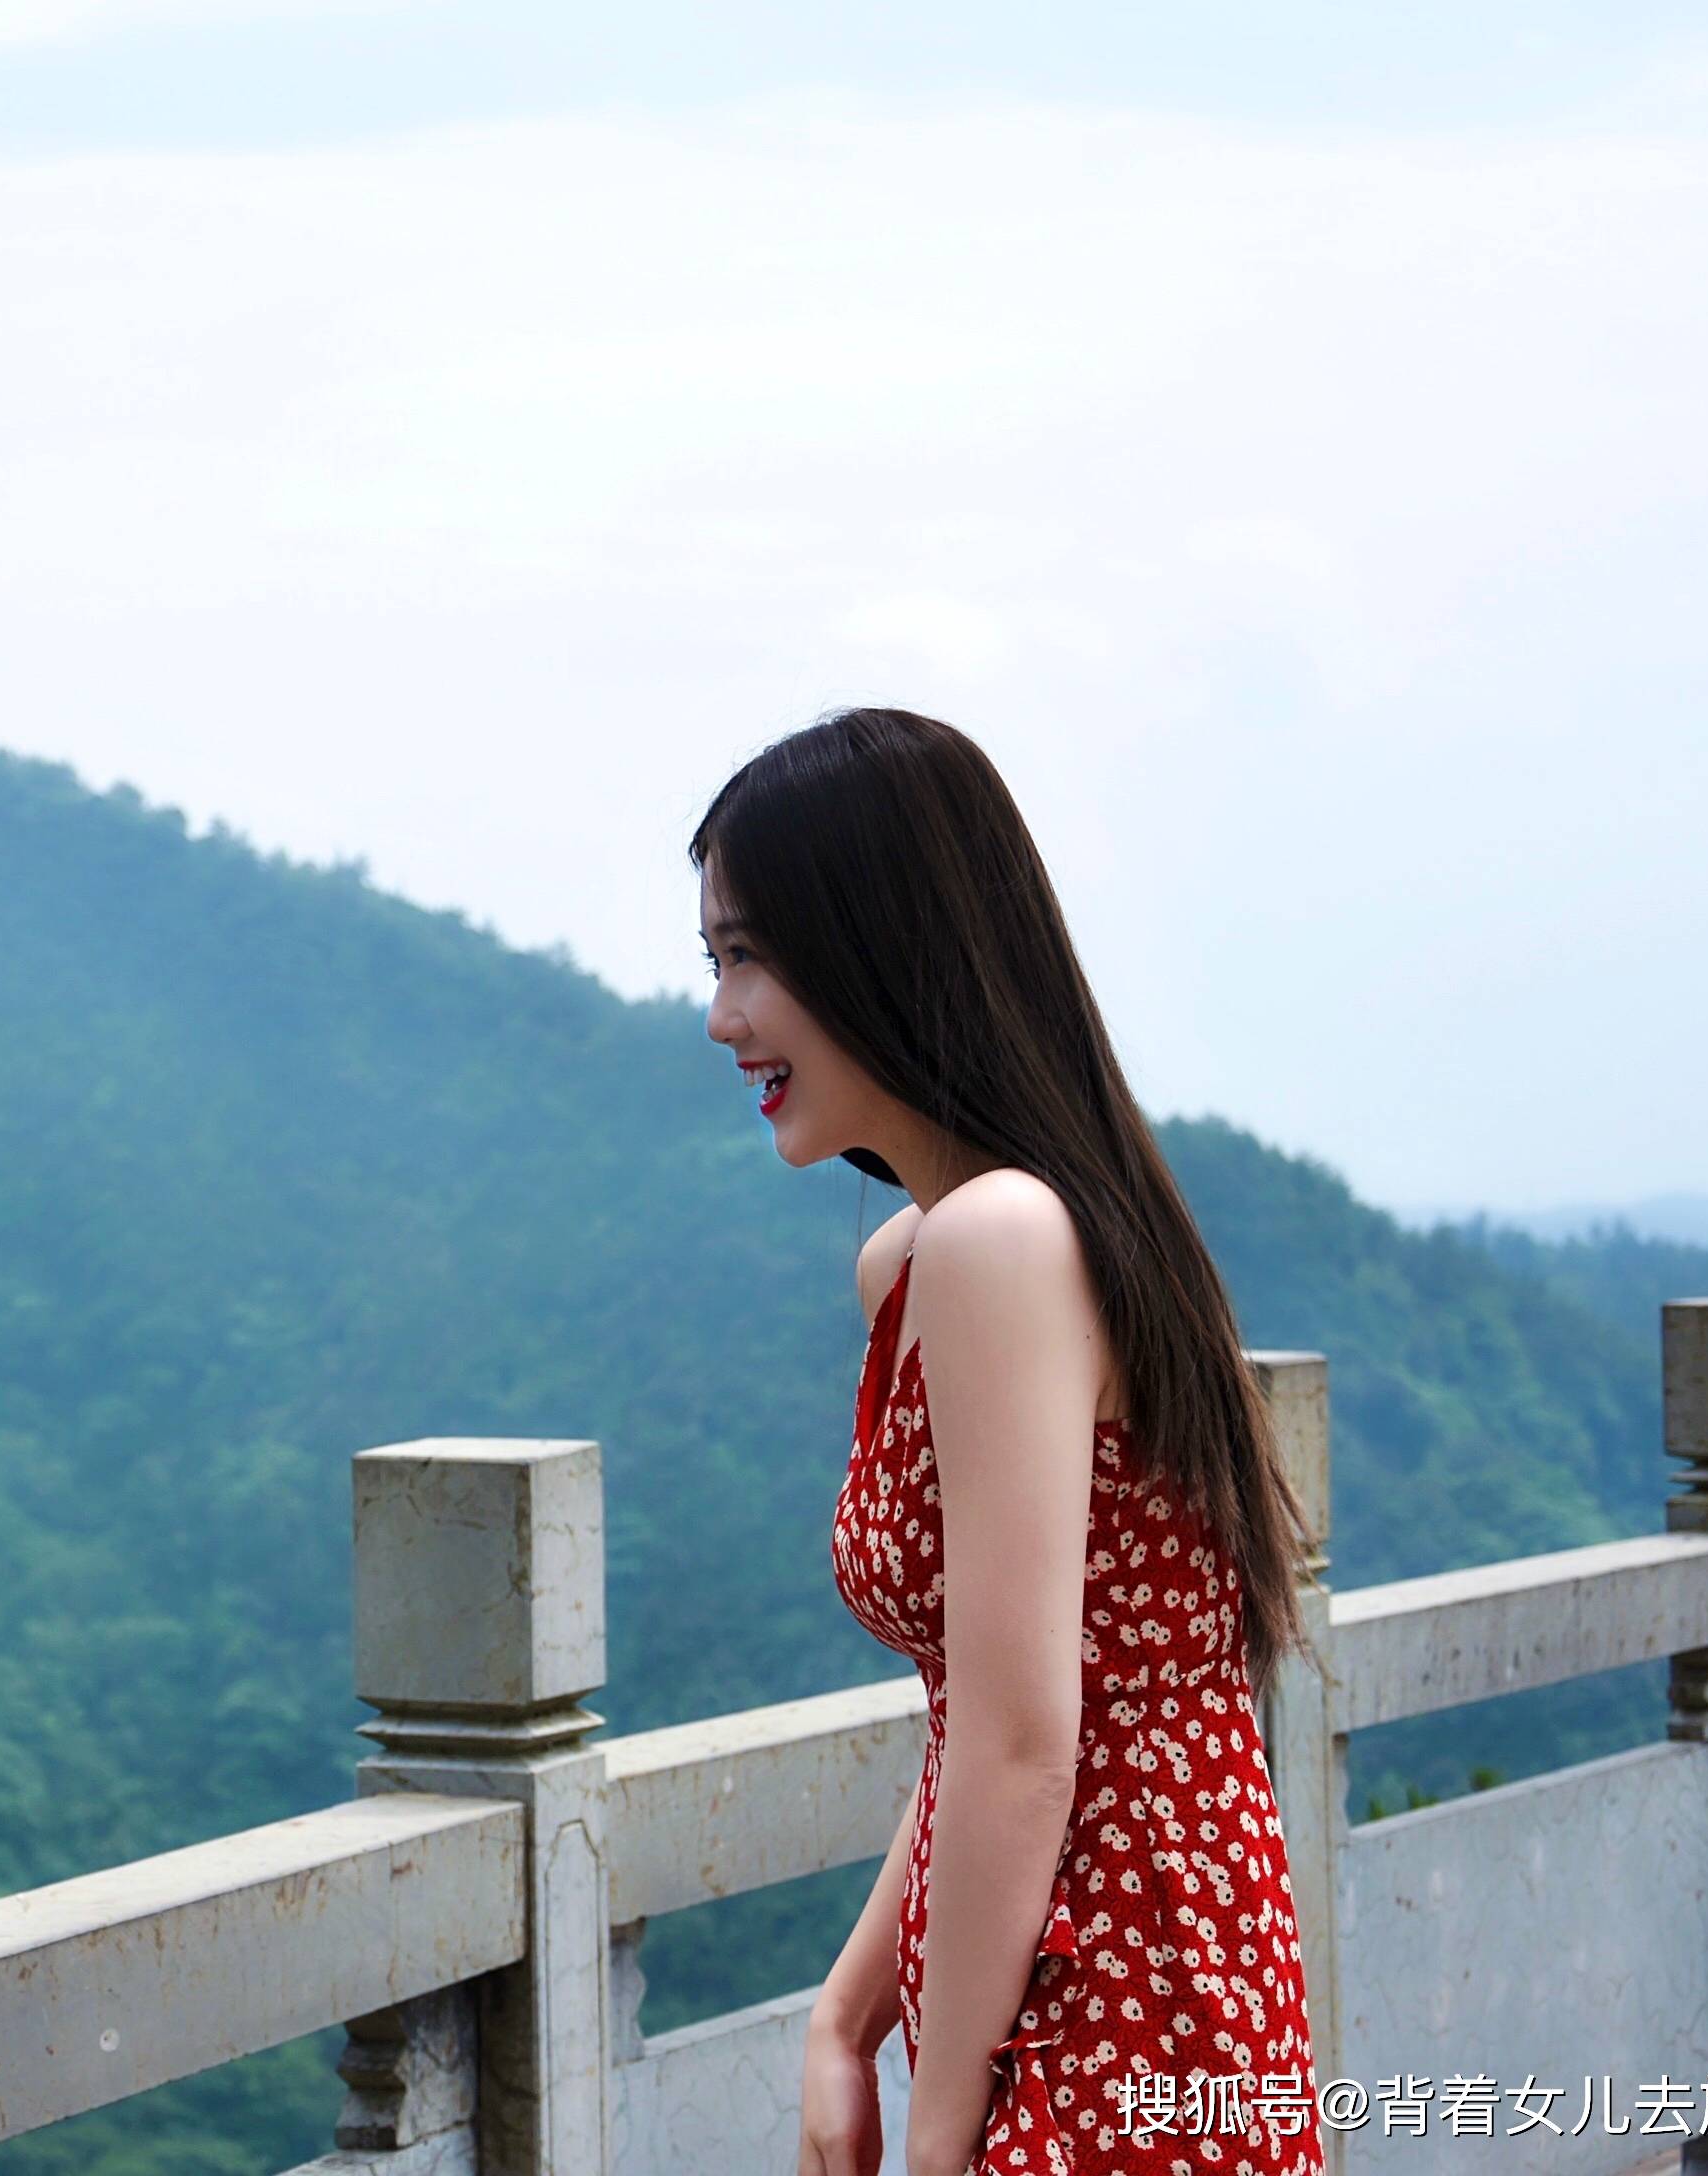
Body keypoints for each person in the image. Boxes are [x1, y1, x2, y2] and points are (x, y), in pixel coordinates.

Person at [693, 709, 1325, 2176]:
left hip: (1124, 1993)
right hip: (1083, 1958)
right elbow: (993, 1715)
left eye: (749, 958)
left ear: (877, 941)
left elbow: (1032, 1743)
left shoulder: (998, 1239)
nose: (723, 1017)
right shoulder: (927, 1256)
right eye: (714, 963)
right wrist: (844, 2021)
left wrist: (937, 2136)